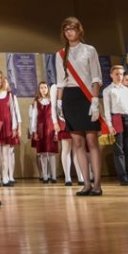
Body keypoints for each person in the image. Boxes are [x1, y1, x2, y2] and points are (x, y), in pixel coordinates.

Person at [52, 17, 103, 197]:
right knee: (78, 143)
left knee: (92, 141)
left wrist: (95, 101)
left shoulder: (90, 50)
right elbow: (60, 81)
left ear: (79, 30)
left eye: (72, 28)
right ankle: (86, 183)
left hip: (87, 96)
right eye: (66, 29)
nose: (69, 32)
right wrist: (59, 103)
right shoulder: (60, 54)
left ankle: (97, 184)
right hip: (70, 97)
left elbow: (96, 77)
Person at [103, 66, 128, 186]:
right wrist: (109, 125)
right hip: (116, 119)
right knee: (118, 150)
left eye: (121, 74)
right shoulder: (108, 90)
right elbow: (107, 109)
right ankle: (123, 178)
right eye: (117, 74)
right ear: (111, 75)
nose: (119, 76)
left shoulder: (127, 90)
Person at [29, 81, 57, 183]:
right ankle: (45, 175)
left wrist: (57, 132)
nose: (43, 89)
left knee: (52, 153)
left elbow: (55, 117)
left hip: (51, 128)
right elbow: (34, 118)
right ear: (39, 90)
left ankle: (54, 176)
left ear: (48, 89)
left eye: (45, 87)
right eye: (41, 88)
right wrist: (34, 131)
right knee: (43, 153)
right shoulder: (37, 102)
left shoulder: (52, 102)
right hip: (41, 129)